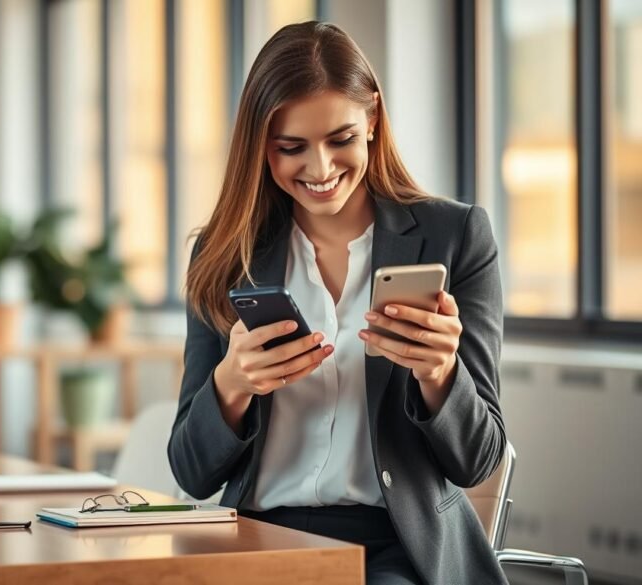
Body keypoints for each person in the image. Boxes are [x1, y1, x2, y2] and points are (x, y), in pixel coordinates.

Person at [168, 21, 507, 585]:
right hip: (258, 542)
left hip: (397, 547)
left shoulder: (457, 236)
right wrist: (232, 382)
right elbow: (191, 471)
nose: (321, 170)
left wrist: (442, 374)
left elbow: (478, 460)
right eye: (291, 148)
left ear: (372, 118)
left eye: (340, 139)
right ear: (261, 144)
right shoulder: (226, 254)